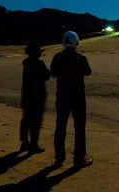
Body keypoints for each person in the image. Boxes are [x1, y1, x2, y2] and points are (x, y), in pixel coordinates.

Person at [50, 31, 93, 168]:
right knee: (80, 127)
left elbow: (53, 73)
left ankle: (59, 158)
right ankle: (79, 158)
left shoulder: (57, 57)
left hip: (62, 95)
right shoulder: (80, 58)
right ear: (77, 42)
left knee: (60, 126)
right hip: (78, 96)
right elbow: (88, 72)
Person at [19, 42, 50, 154]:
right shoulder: (39, 64)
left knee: (26, 119)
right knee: (36, 121)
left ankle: (24, 142)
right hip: (37, 96)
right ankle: (34, 144)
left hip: (27, 95)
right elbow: (47, 76)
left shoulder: (26, 63)